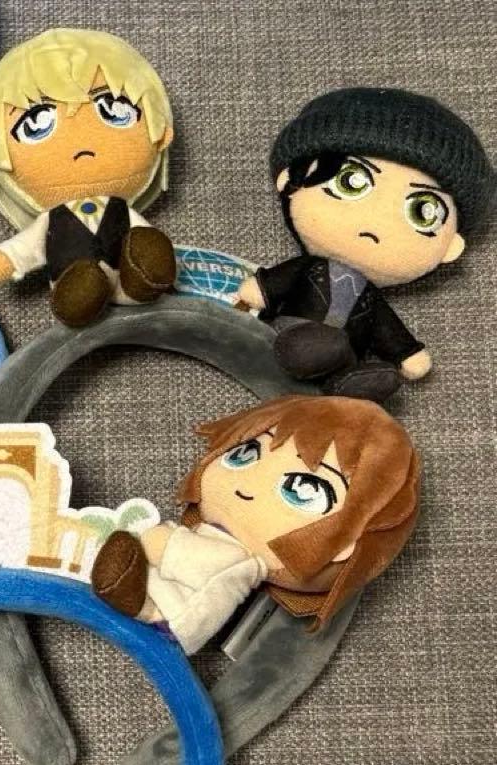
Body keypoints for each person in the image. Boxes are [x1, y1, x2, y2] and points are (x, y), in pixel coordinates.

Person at [91, 395, 421, 654]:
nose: (246, 488)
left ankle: (142, 604)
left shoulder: (240, 561)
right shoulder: (216, 534)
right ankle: (132, 587)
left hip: (176, 617)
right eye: (245, 453)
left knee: (185, 569)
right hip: (174, 579)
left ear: (347, 545)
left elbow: (194, 559)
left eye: (304, 489)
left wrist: (160, 543)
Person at [235, 88, 495, 402]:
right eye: (350, 181)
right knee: (317, 345)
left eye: (423, 211)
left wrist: (405, 354)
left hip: (345, 351)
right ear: (290, 180)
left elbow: (386, 327)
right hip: (291, 334)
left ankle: (348, 382)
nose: (374, 226)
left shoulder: (368, 294)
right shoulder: (311, 268)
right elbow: (281, 280)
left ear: (451, 247)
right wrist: (260, 290)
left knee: (344, 354)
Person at [0, 29, 177, 327]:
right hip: (70, 280)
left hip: (126, 277)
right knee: (80, 288)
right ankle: (79, 296)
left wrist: (153, 256)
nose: (83, 144)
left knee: (148, 250)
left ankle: (140, 284)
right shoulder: (51, 219)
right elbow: (28, 245)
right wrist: (7, 258)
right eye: (36, 123)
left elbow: (145, 238)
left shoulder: (122, 211)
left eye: (114, 110)